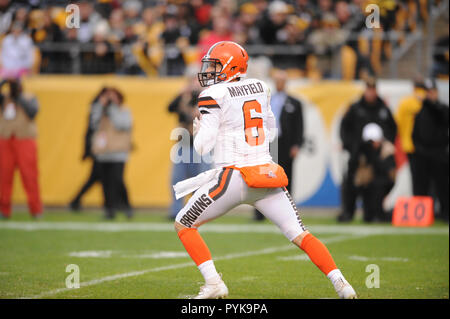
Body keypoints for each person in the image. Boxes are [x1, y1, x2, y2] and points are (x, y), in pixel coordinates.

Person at [172, 41, 356, 299]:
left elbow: (202, 148)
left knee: (184, 224)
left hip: (233, 177)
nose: (208, 71)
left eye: (214, 65)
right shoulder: (260, 87)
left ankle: (214, 283)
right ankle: (342, 284)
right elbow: (271, 130)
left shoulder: (213, 95)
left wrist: (200, 128)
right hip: (266, 176)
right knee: (300, 234)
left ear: (229, 66)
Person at [338, 78, 397, 222]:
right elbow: (345, 128)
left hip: (379, 156)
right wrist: (350, 146)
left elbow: (393, 129)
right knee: (350, 183)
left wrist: (384, 143)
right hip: (359, 156)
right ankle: (348, 212)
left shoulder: (383, 108)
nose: (371, 92)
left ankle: (375, 213)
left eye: (373, 89)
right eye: (368, 89)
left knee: (381, 182)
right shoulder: (355, 108)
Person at [254, 69, 304, 221]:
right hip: (269, 143)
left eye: (282, 81)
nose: (279, 84)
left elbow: (300, 126)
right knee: (263, 178)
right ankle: (260, 213)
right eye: (277, 81)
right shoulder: (267, 101)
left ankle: (287, 213)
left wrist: (296, 145)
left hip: (285, 144)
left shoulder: (294, 103)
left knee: (286, 178)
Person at [168, 70, 210, 219]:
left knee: (200, 182)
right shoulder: (184, 98)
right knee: (177, 180)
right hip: (183, 144)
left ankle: (199, 212)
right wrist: (181, 95)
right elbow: (170, 108)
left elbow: (194, 115)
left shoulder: (205, 98)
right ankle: (175, 210)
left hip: (200, 146)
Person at [0, 78, 42, 219]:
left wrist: (18, 98)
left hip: (25, 140)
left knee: (29, 176)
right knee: (4, 177)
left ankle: (35, 209)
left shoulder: (29, 98)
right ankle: (4, 209)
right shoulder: (4, 98)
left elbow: (32, 112)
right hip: (6, 139)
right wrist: (3, 82)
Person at [90, 87, 133, 220]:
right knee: (105, 183)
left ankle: (126, 206)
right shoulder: (101, 110)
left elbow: (122, 124)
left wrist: (112, 109)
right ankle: (109, 209)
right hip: (103, 153)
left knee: (118, 181)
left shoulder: (123, 111)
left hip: (118, 152)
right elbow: (93, 123)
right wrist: (100, 105)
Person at [412, 79, 449, 222]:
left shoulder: (442, 109)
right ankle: (422, 215)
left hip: (439, 154)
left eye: (432, 92)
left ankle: (445, 212)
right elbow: (415, 134)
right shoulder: (421, 111)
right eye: (428, 92)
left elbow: (443, 119)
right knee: (422, 186)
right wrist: (419, 150)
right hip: (423, 154)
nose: (430, 95)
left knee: (443, 186)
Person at [69, 87, 109, 211]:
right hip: (97, 148)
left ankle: (76, 201)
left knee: (97, 178)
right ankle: (107, 205)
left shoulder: (97, 107)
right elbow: (93, 128)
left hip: (100, 148)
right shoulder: (97, 107)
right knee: (100, 177)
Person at [394, 78, 427, 195]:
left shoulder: (406, 102)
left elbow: (398, 125)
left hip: (410, 145)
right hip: (427, 147)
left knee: (416, 177)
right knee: (428, 178)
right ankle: (429, 204)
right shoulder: (428, 102)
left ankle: (419, 202)